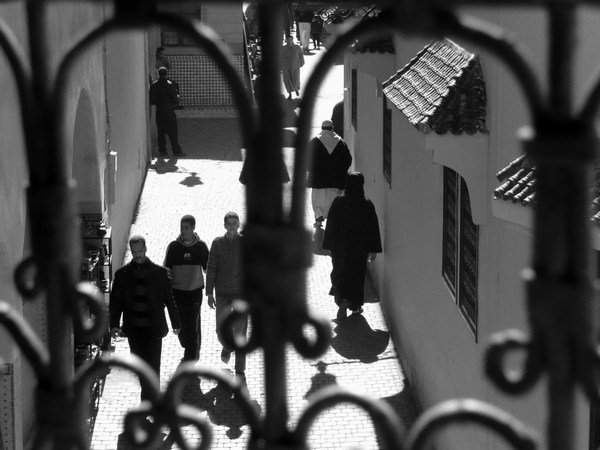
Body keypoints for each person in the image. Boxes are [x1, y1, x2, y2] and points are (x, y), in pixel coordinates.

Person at [109, 235, 181, 400]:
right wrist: (114, 324)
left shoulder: (160, 274)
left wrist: (176, 322)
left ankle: (149, 401)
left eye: (140, 251)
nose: (137, 255)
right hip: (134, 330)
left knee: (154, 367)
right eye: (134, 252)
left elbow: (170, 300)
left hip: (153, 329)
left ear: (146, 249)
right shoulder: (123, 275)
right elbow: (116, 302)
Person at [322, 172, 382, 320]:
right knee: (356, 275)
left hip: (339, 247)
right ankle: (355, 306)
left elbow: (331, 223)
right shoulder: (367, 204)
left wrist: (328, 245)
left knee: (340, 271)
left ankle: (342, 299)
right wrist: (373, 250)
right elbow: (373, 228)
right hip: (359, 248)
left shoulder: (339, 201)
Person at [206, 212, 248, 377]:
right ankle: (227, 346)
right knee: (221, 329)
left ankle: (240, 369)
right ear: (224, 225)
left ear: (238, 225)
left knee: (240, 331)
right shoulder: (217, 243)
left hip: (240, 294)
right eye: (229, 223)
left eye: (234, 223)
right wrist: (209, 292)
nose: (231, 226)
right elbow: (211, 269)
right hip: (222, 293)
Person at [164, 215, 209, 362]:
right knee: (182, 323)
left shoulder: (201, 247)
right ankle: (188, 345)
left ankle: (191, 354)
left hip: (195, 292)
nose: (184, 231)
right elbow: (166, 270)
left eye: (187, 228)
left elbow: (208, 268)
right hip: (178, 292)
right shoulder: (174, 247)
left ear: (193, 228)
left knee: (191, 322)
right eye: (182, 228)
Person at [306, 119, 352, 230]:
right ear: (332, 128)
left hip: (318, 180)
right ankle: (331, 221)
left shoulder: (315, 142)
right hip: (335, 180)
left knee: (317, 201)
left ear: (322, 128)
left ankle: (318, 219)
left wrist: (311, 171)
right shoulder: (341, 143)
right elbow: (348, 160)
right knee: (332, 201)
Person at [149, 66, 185, 158]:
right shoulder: (170, 84)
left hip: (159, 112)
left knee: (161, 132)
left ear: (158, 74)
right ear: (166, 74)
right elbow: (175, 99)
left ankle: (163, 151)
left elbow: (152, 99)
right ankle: (176, 151)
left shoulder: (154, 85)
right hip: (169, 111)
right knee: (173, 132)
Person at [281, 35, 304, 100]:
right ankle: (290, 94)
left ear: (292, 40)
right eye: (288, 40)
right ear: (286, 40)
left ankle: (296, 89)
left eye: (290, 39)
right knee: (287, 81)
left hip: (295, 66)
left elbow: (301, 55)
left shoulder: (297, 47)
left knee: (296, 79)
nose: (289, 41)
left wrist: (302, 62)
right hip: (286, 67)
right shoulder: (283, 48)